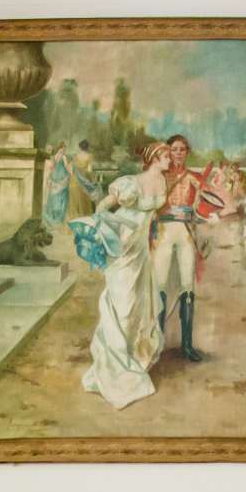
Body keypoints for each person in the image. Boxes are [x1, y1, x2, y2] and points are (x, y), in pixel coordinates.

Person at [78, 145, 170, 410]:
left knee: (139, 306)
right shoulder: (132, 183)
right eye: (165, 157)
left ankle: (130, 356)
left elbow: (155, 215)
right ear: (154, 158)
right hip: (124, 245)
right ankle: (113, 365)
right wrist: (103, 230)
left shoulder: (162, 180)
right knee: (123, 303)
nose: (169, 160)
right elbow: (102, 207)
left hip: (141, 249)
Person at [148, 134, 223, 362]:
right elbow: (151, 207)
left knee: (187, 288)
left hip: (186, 235)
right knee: (159, 286)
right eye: (174, 149)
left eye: (182, 149)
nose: (178, 153)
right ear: (167, 152)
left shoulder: (194, 178)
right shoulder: (159, 177)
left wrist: (204, 216)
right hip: (163, 233)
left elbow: (207, 205)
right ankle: (157, 344)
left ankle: (187, 345)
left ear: (187, 152)